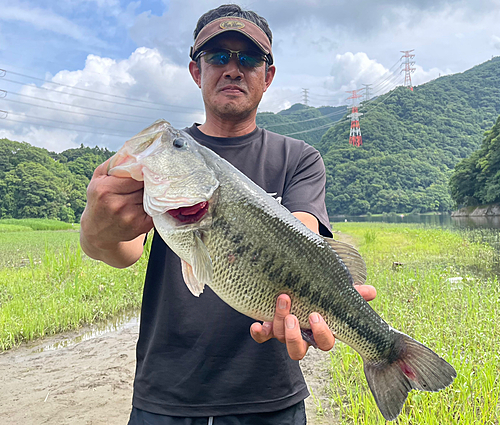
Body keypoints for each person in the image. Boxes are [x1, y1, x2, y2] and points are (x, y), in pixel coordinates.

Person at [80, 4, 376, 424]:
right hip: (165, 394)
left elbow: (303, 234)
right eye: (218, 57)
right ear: (196, 71)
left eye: (249, 59)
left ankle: (383, 350)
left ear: (267, 75)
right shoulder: (167, 159)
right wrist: (95, 228)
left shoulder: (298, 158)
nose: (233, 69)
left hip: (271, 396)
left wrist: (322, 297)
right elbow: (122, 250)